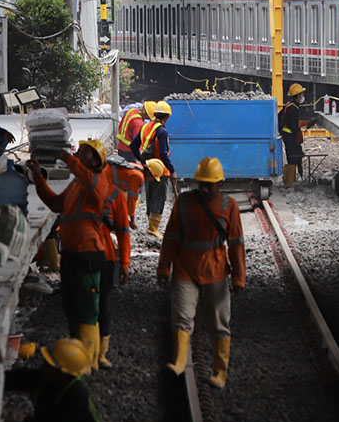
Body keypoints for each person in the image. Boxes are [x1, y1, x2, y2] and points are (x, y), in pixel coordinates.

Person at [158, 157, 246, 389]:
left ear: (220, 184)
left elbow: (236, 244)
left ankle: (219, 373)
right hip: (185, 271)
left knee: (219, 323)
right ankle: (178, 363)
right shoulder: (184, 203)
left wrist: (239, 277)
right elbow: (171, 237)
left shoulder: (230, 207)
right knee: (182, 317)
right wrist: (164, 267)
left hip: (215, 272)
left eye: (209, 184)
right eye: (201, 183)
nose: (204, 188)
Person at [28, 140, 115, 372]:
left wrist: (66, 158)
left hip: (88, 254)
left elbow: (85, 176)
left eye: (85, 152)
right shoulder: (77, 185)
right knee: (73, 309)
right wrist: (38, 177)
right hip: (72, 254)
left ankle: (87, 363)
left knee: (87, 310)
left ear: (95, 160)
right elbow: (56, 204)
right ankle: (80, 358)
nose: (79, 153)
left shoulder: (97, 181)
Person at [94, 152, 155, 369]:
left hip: (77, 255)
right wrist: (131, 218)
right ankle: (99, 354)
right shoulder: (127, 185)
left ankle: (88, 352)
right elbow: (132, 199)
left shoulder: (77, 190)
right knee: (103, 305)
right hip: (105, 257)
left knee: (87, 305)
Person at [4, 337, 108, 422]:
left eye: (48, 364)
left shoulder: (76, 395)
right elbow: (18, 378)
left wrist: (23, 421)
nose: (43, 366)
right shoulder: (50, 378)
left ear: (62, 373)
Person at [131, 100, 175, 239]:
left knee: (150, 195)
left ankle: (150, 226)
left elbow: (133, 146)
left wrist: (142, 161)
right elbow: (163, 153)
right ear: (167, 117)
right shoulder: (162, 131)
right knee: (159, 198)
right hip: (160, 170)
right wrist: (172, 169)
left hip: (148, 167)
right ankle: (153, 228)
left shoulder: (145, 127)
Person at [278, 84, 306, 188]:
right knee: (294, 156)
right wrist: (297, 138)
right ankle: (290, 181)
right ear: (298, 96)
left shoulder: (289, 105)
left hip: (287, 136)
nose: (303, 96)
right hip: (290, 137)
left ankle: (291, 179)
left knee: (292, 156)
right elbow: (294, 125)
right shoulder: (293, 108)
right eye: (302, 94)